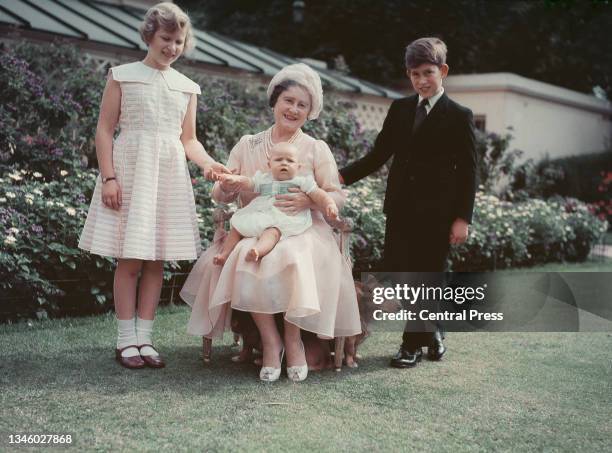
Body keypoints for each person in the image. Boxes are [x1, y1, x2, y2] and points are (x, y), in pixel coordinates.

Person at [181, 63, 362, 382]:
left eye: (301, 105)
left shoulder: (315, 148)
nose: (293, 109)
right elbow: (220, 194)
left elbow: (336, 194)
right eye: (288, 101)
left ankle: (293, 342)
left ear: (309, 112)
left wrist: (310, 199)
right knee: (244, 254)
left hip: (303, 229)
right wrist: (227, 183)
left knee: (290, 255)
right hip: (254, 225)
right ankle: (270, 340)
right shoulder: (249, 143)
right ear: (275, 102)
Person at [78, 2, 229, 369]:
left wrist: (210, 164)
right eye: (166, 38)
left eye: (179, 41)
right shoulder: (122, 75)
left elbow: (188, 139)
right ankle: (125, 341)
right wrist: (109, 177)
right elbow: (104, 129)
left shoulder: (186, 87)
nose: (172, 47)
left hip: (168, 177)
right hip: (130, 173)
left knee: (157, 260)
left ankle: (145, 339)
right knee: (130, 259)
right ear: (149, 36)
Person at [339, 37, 477, 369]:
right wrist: (340, 177)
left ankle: (411, 345)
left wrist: (462, 217)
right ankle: (434, 331)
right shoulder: (400, 109)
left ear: (443, 71)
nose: (421, 80)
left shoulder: (459, 115)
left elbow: (470, 170)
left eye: (428, 72)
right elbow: (379, 155)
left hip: (438, 214)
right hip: (399, 210)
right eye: (414, 74)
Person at [212, 141, 339, 265]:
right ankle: (225, 254)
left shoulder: (302, 181)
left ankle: (257, 250)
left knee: (273, 232)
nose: (284, 163)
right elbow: (248, 182)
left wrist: (329, 204)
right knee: (237, 227)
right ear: (269, 165)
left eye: (290, 161)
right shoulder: (264, 179)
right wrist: (235, 179)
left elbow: (319, 194)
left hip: (283, 216)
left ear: (298, 167)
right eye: (278, 160)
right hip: (261, 212)